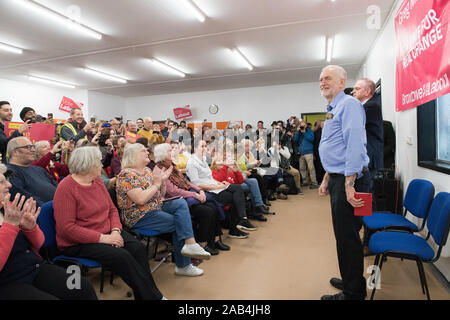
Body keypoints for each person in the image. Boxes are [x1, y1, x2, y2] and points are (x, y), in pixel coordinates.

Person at [53, 146, 165, 300]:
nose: (101, 165)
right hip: (78, 243)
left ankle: (147, 296)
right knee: (122, 256)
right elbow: (67, 229)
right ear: (88, 165)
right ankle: (154, 297)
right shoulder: (66, 188)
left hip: (108, 232)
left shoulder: (96, 181)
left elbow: (112, 210)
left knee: (137, 248)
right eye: (98, 161)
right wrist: (103, 238)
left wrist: (115, 231)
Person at [0, 163, 98, 300]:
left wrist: (31, 228)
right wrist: (10, 226)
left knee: (82, 286)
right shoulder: (11, 214)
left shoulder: (9, 208)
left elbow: (40, 244)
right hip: (7, 282)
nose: (9, 185)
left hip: (34, 267)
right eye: (2, 182)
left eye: (6, 180)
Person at [115, 143, 211, 277]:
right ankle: (183, 264)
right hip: (139, 215)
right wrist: (157, 184)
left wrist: (163, 182)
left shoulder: (147, 171)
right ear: (134, 156)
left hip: (155, 206)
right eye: (144, 151)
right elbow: (141, 200)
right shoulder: (126, 175)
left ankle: (190, 244)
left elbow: (160, 194)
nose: (148, 152)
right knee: (180, 223)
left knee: (179, 202)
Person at [318, 65, 371, 300]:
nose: (322, 82)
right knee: (344, 235)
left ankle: (353, 293)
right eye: (320, 79)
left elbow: (354, 145)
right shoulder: (334, 108)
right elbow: (335, 147)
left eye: (327, 78)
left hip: (351, 180)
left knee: (347, 237)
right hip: (340, 178)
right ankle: (351, 279)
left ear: (342, 82)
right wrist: (327, 177)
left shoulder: (349, 104)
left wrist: (349, 184)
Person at [154, 143, 229, 255]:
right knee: (207, 211)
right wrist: (195, 195)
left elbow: (186, 182)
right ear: (163, 155)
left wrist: (199, 190)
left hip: (186, 196)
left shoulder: (172, 165)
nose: (174, 152)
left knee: (212, 207)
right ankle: (203, 243)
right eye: (170, 150)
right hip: (176, 201)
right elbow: (173, 191)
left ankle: (216, 239)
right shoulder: (159, 169)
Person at [186, 140, 252, 238]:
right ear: (195, 148)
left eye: (205, 146)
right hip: (208, 191)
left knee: (238, 190)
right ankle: (240, 222)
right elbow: (197, 184)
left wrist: (220, 183)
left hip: (215, 187)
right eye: (202, 146)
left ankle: (242, 220)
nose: (205, 149)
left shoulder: (203, 160)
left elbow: (210, 179)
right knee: (237, 194)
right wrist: (217, 186)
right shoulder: (192, 163)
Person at [6, 137, 57, 207]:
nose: (33, 150)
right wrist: (49, 208)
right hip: (41, 213)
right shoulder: (8, 172)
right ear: (15, 151)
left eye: (33, 147)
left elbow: (58, 188)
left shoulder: (39, 169)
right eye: (28, 147)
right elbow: (22, 197)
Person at [352, 78, 384, 183]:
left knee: (367, 193)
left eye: (357, 88)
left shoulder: (371, 106)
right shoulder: (363, 106)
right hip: (366, 156)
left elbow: (353, 124)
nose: (353, 91)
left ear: (367, 92)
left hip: (370, 157)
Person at [294, 120, 319, 189]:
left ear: (306, 125)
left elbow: (312, 139)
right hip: (301, 153)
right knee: (302, 168)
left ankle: (314, 183)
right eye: (301, 125)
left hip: (309, 153)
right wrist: (297, 131)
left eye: (304, 125)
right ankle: (305, 182)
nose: (303, 127)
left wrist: (304, 132)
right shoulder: (299, 132)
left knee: (311, 168)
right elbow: (295, 140)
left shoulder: (310, 131)